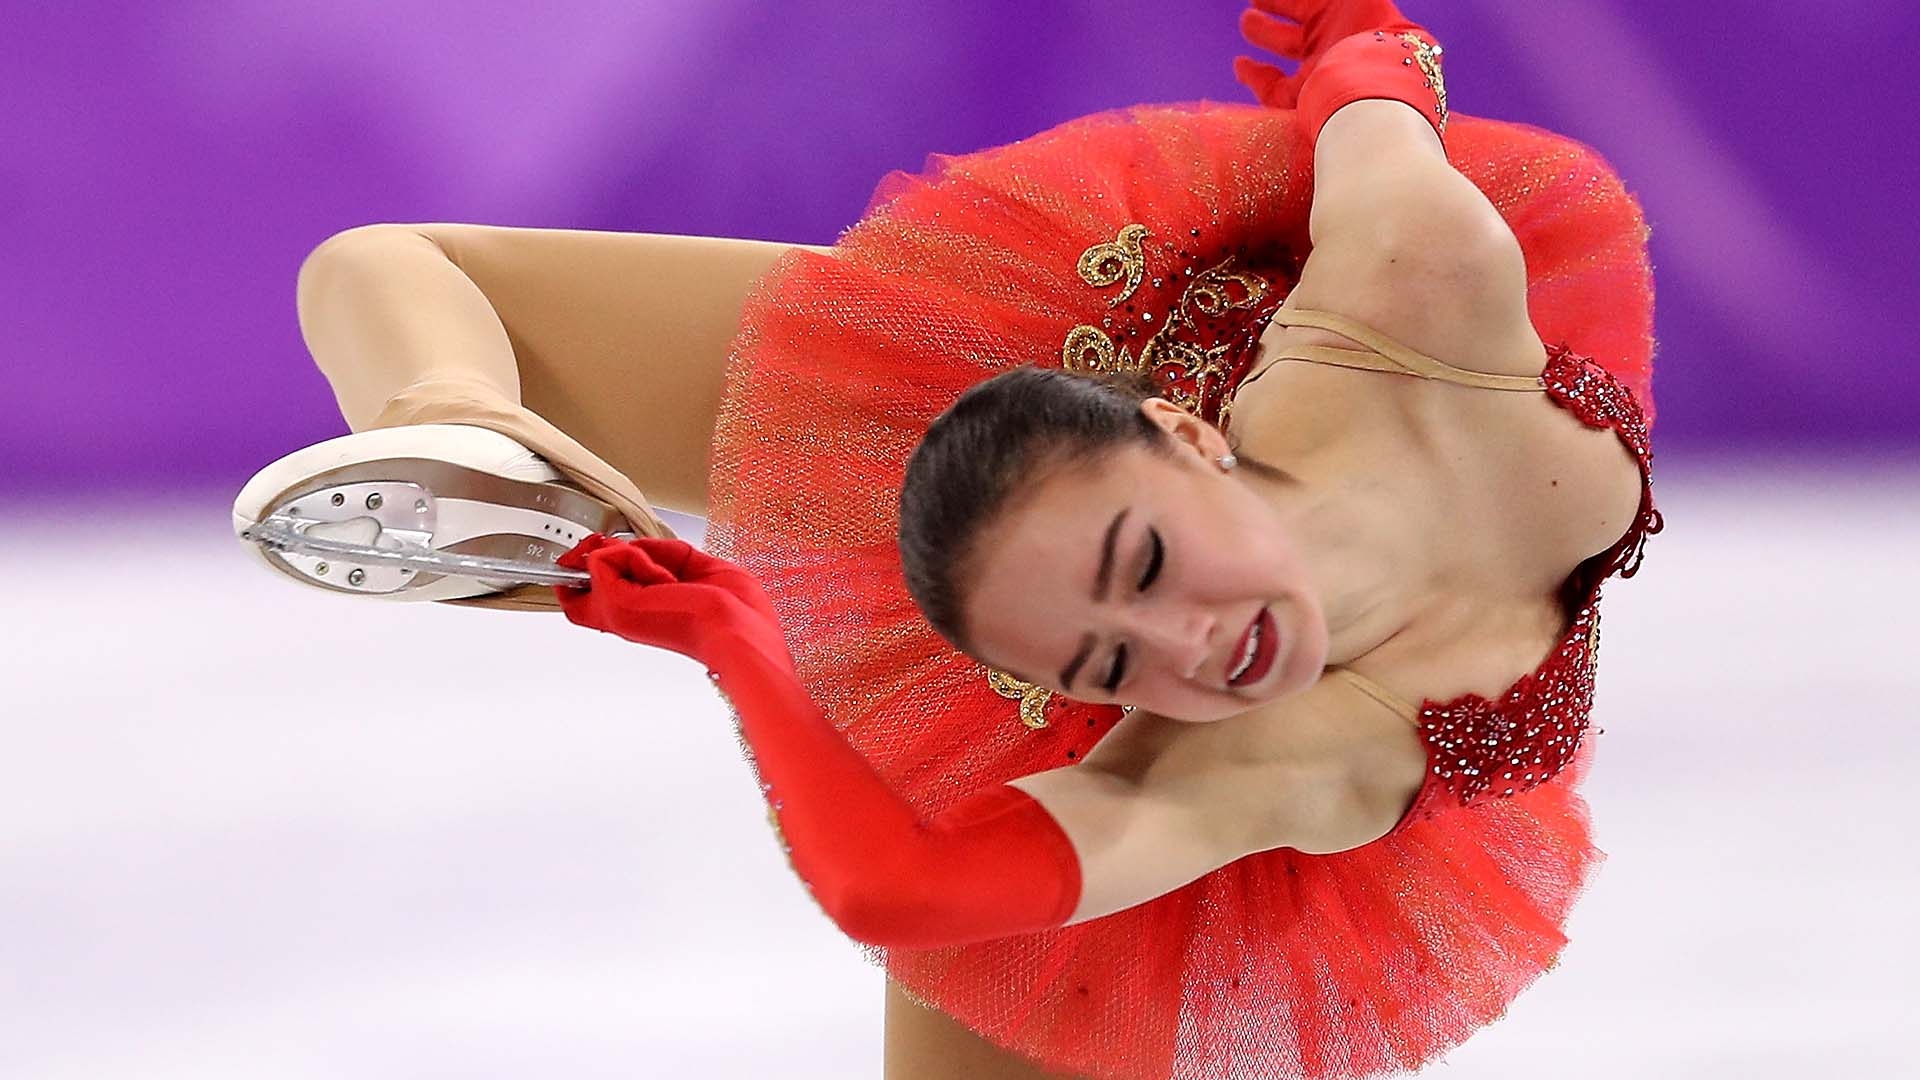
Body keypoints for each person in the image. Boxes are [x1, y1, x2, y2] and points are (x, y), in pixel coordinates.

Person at [232, 1, 1664, 1077]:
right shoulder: (1254, 715)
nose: (1193, 648)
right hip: (978, 422)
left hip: (1047, 471)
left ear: (1191, 431)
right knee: (378, 267)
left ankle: (472, 414)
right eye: (1126, 635)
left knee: (386, 268)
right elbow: (1369, 84)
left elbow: (1366, 82)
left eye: (1144, 592)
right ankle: (468, 425)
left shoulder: (1416, 305)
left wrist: (737, 636)